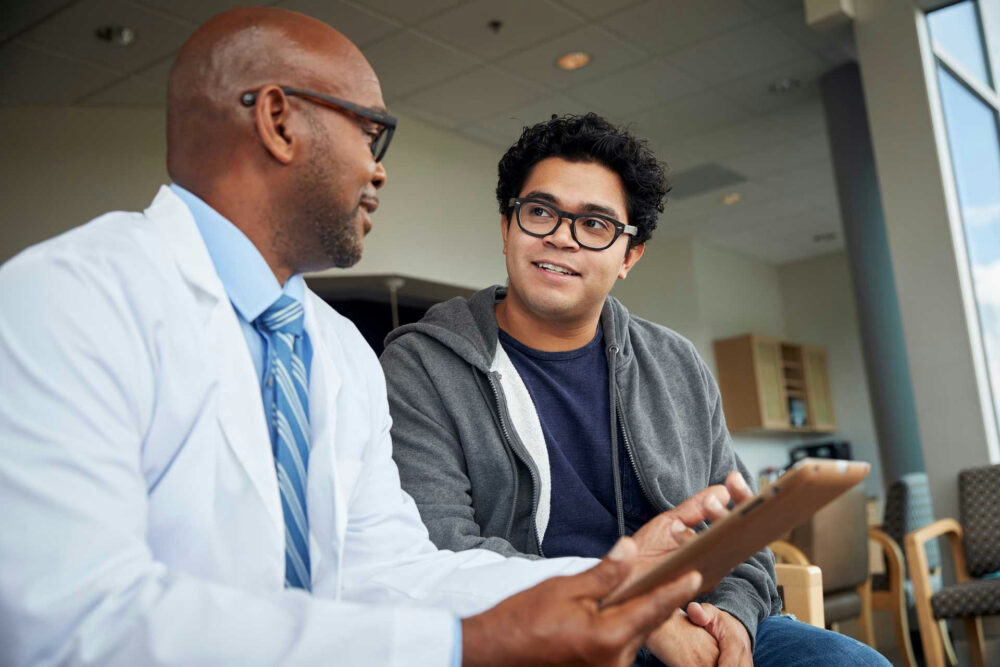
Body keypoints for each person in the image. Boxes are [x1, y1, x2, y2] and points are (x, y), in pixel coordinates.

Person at [0, 9, 752, 666]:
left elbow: (393, 569)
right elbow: (67, 624)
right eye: (372, 133)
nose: (378, 171)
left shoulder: (335, 350)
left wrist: (611, 579)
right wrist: (468, 645)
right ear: (278, 120)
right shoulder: (68, 297)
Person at [381, 114, 891, 666]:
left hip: (693, 620)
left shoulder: (676, 364)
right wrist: (633, 612)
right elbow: (439, 550)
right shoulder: (422, 366)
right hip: (542, 635)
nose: (561, 236)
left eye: (595, 224)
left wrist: (734, 621)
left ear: (629, 256)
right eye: (540, 212)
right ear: (507, 227)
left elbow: (740, 539)